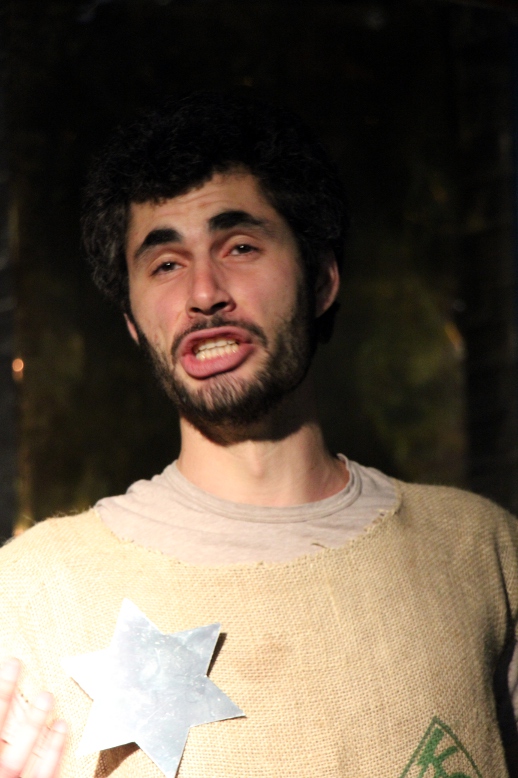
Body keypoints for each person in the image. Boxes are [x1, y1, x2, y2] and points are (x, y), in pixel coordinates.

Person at [0, 91, 517, 778]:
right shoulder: (33, 594)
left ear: (322, 280)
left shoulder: (482, 551)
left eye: (240, 246)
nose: (204, 293)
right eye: (165, 264)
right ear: (132, 324)